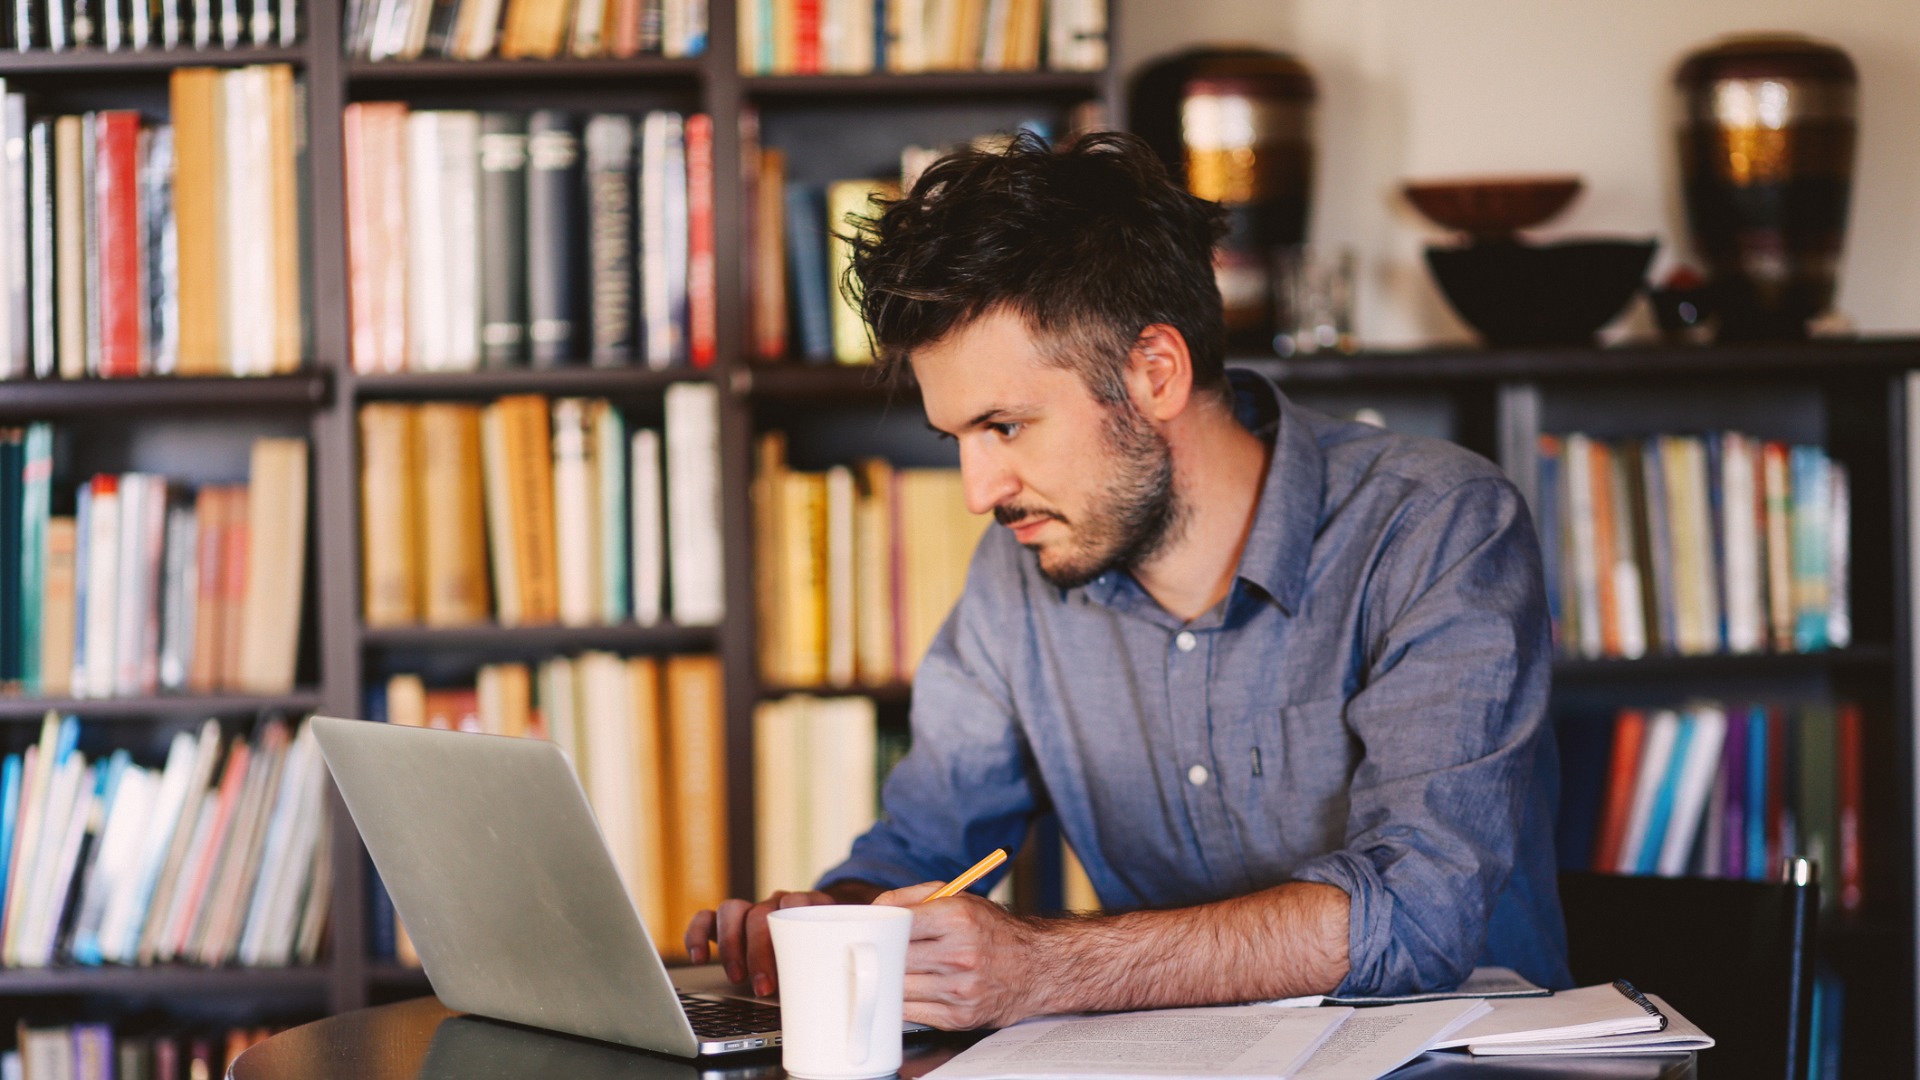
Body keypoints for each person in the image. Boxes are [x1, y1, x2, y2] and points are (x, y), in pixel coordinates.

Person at [687, 130, 1569, 1030]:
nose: (978, 492)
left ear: (1155, 372)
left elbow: (1417, 912)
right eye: (956, 439)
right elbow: (923, 846)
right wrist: (837, 921)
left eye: (1005, 426)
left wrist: (1042, 966)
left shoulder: (1438, 526)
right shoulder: (1018, 570)